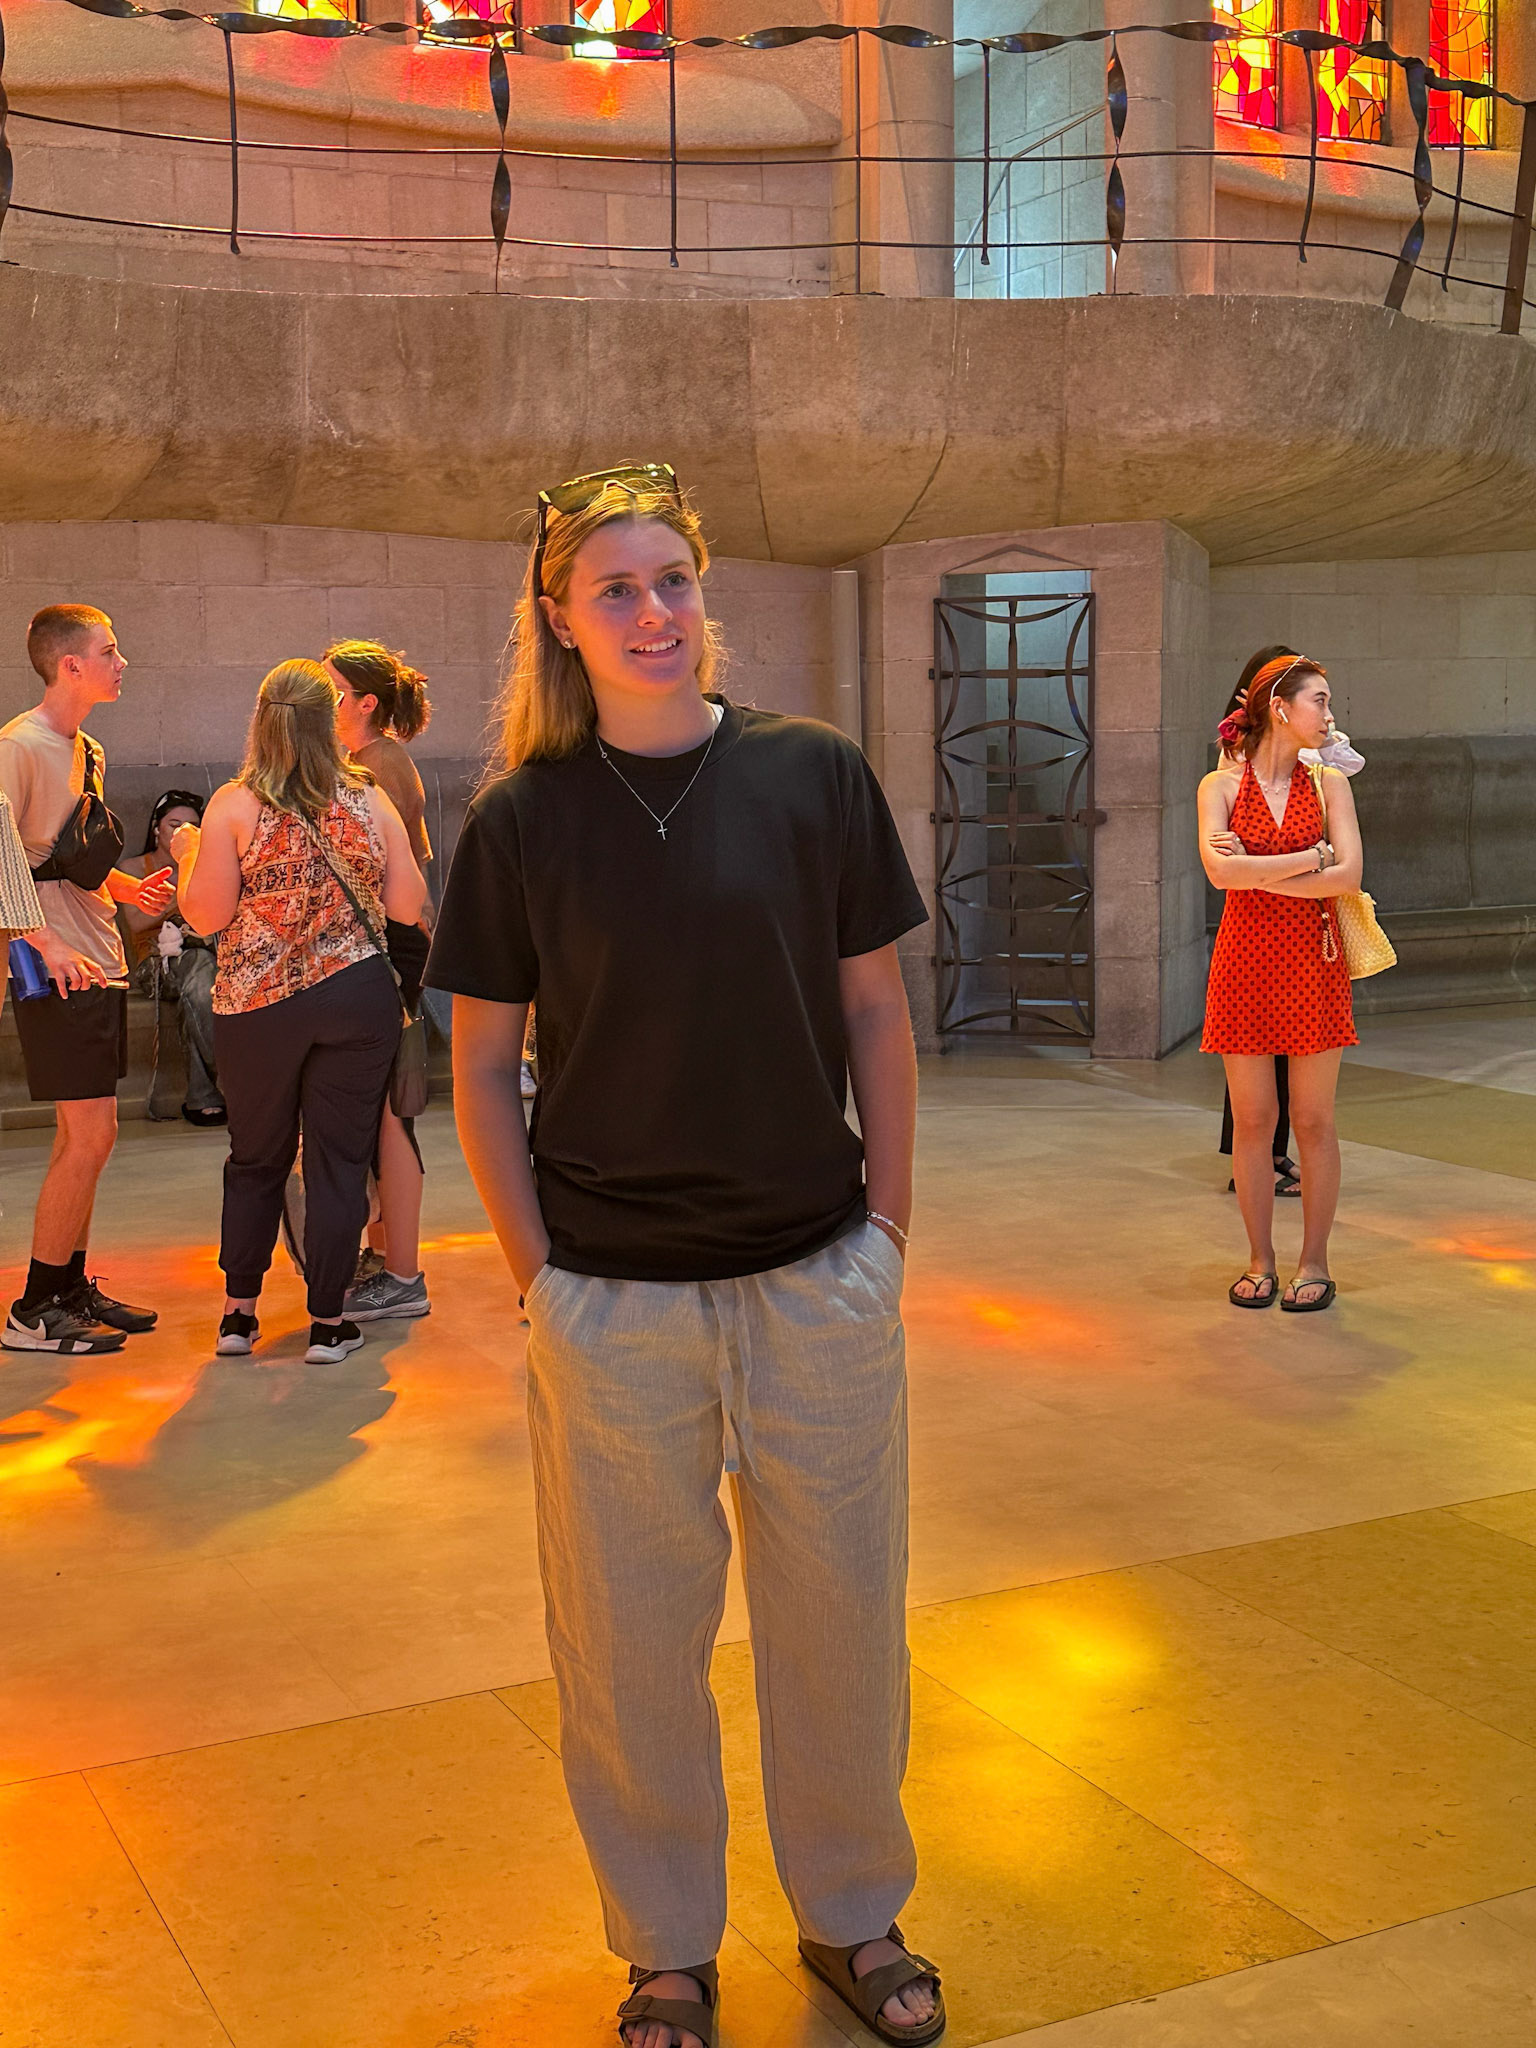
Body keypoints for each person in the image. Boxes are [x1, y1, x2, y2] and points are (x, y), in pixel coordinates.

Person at [426, 465, 945, 2048]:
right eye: (617, 591)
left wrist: (890, 1229)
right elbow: (480, 1069)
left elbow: (875, 1010)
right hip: (614, 1299)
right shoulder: (522, 822)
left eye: (674, 581)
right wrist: (542, 1281)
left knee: (842, 1624)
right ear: (560, 619)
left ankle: (852, 1914)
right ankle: (664, 1945)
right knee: (630, 1647)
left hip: (816, 1279)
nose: (654, 614)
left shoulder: (812, 773)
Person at [174, 659, 426, 1365]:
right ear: (328, 721)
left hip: (257, 1005)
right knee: (338, 1162)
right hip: (355, 997)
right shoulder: (367, 798)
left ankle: (238, 1316)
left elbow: (206, 914)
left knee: (255, 1157)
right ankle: (328, 1323)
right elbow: (408, 904)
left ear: (261, 720)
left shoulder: (234, 804)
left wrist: (187, 852)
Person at [0, 606, 174, 1354]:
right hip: (55, 965)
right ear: (70, 665)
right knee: (91, 1133)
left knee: (89, 1136)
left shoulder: (87, 749)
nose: (121, 661)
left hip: (97, 954)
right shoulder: (18, 745)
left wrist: (130, 890)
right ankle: (34, 1309)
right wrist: (41, 941)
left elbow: (66, 859)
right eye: (110, 650)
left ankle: (68, 1286)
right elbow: (2, 856)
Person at [1199, 653, 1363, 1314]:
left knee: (1313, 1120)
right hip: (1243, 965)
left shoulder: (1330, 785)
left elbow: (1347, 877)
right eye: (1319, 700)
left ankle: (1314, 1262)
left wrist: (1260, 872)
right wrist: (1307, 860)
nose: (1329, 713)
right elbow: (1219, 874)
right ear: (1280, 708)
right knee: (1254, 1121)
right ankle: (1260, 1260)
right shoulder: (1219, 786)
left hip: (1313, 963)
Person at [323, 640, 434, 1321]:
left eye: (332, 690)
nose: (321, 701)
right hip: (380, 939)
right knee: (376, 1116)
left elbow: (393, 877)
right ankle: (383, 1259)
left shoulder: (380, 764)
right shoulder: (361, 762)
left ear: (365, 703)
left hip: (391, 942)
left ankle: (402, 1274)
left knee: (392, 1115)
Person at [119, 788, 226, 1128]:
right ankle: (239, 1075)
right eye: (174, 825)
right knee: (199, 971)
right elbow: (136, 922)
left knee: (197, 990)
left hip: (206, 959)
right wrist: (185, 894)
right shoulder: (134, 867)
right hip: (155, 963)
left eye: (192, 827)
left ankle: (203, 1098)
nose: (182, 833)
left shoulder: (209, 866)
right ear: (156, 829)